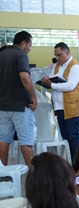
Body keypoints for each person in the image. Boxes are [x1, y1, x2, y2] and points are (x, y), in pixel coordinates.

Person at [40, 42, 79, 158]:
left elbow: (70, 85)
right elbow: (52, 79)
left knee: (74, 137)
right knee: (65, 137)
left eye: (59, 55)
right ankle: (70, 162)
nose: (57, 58)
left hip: (72, 108)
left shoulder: (75, 67)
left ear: (67, 53)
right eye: (56, 55)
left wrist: (52, 85)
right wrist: (46, 80)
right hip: (60, 107)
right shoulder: (57, 66)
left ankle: (77, 165)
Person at [0, 30, 37, 167]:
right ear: (23, 43)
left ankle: (2, 174)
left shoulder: (2, 54)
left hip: (3, 106)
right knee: (26, 141)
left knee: (3, 141)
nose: (30, 49)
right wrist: (34, 96)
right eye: (30, 45)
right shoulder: (20, 55)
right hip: (20, 107)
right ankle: (34, 176)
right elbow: (25, 78)